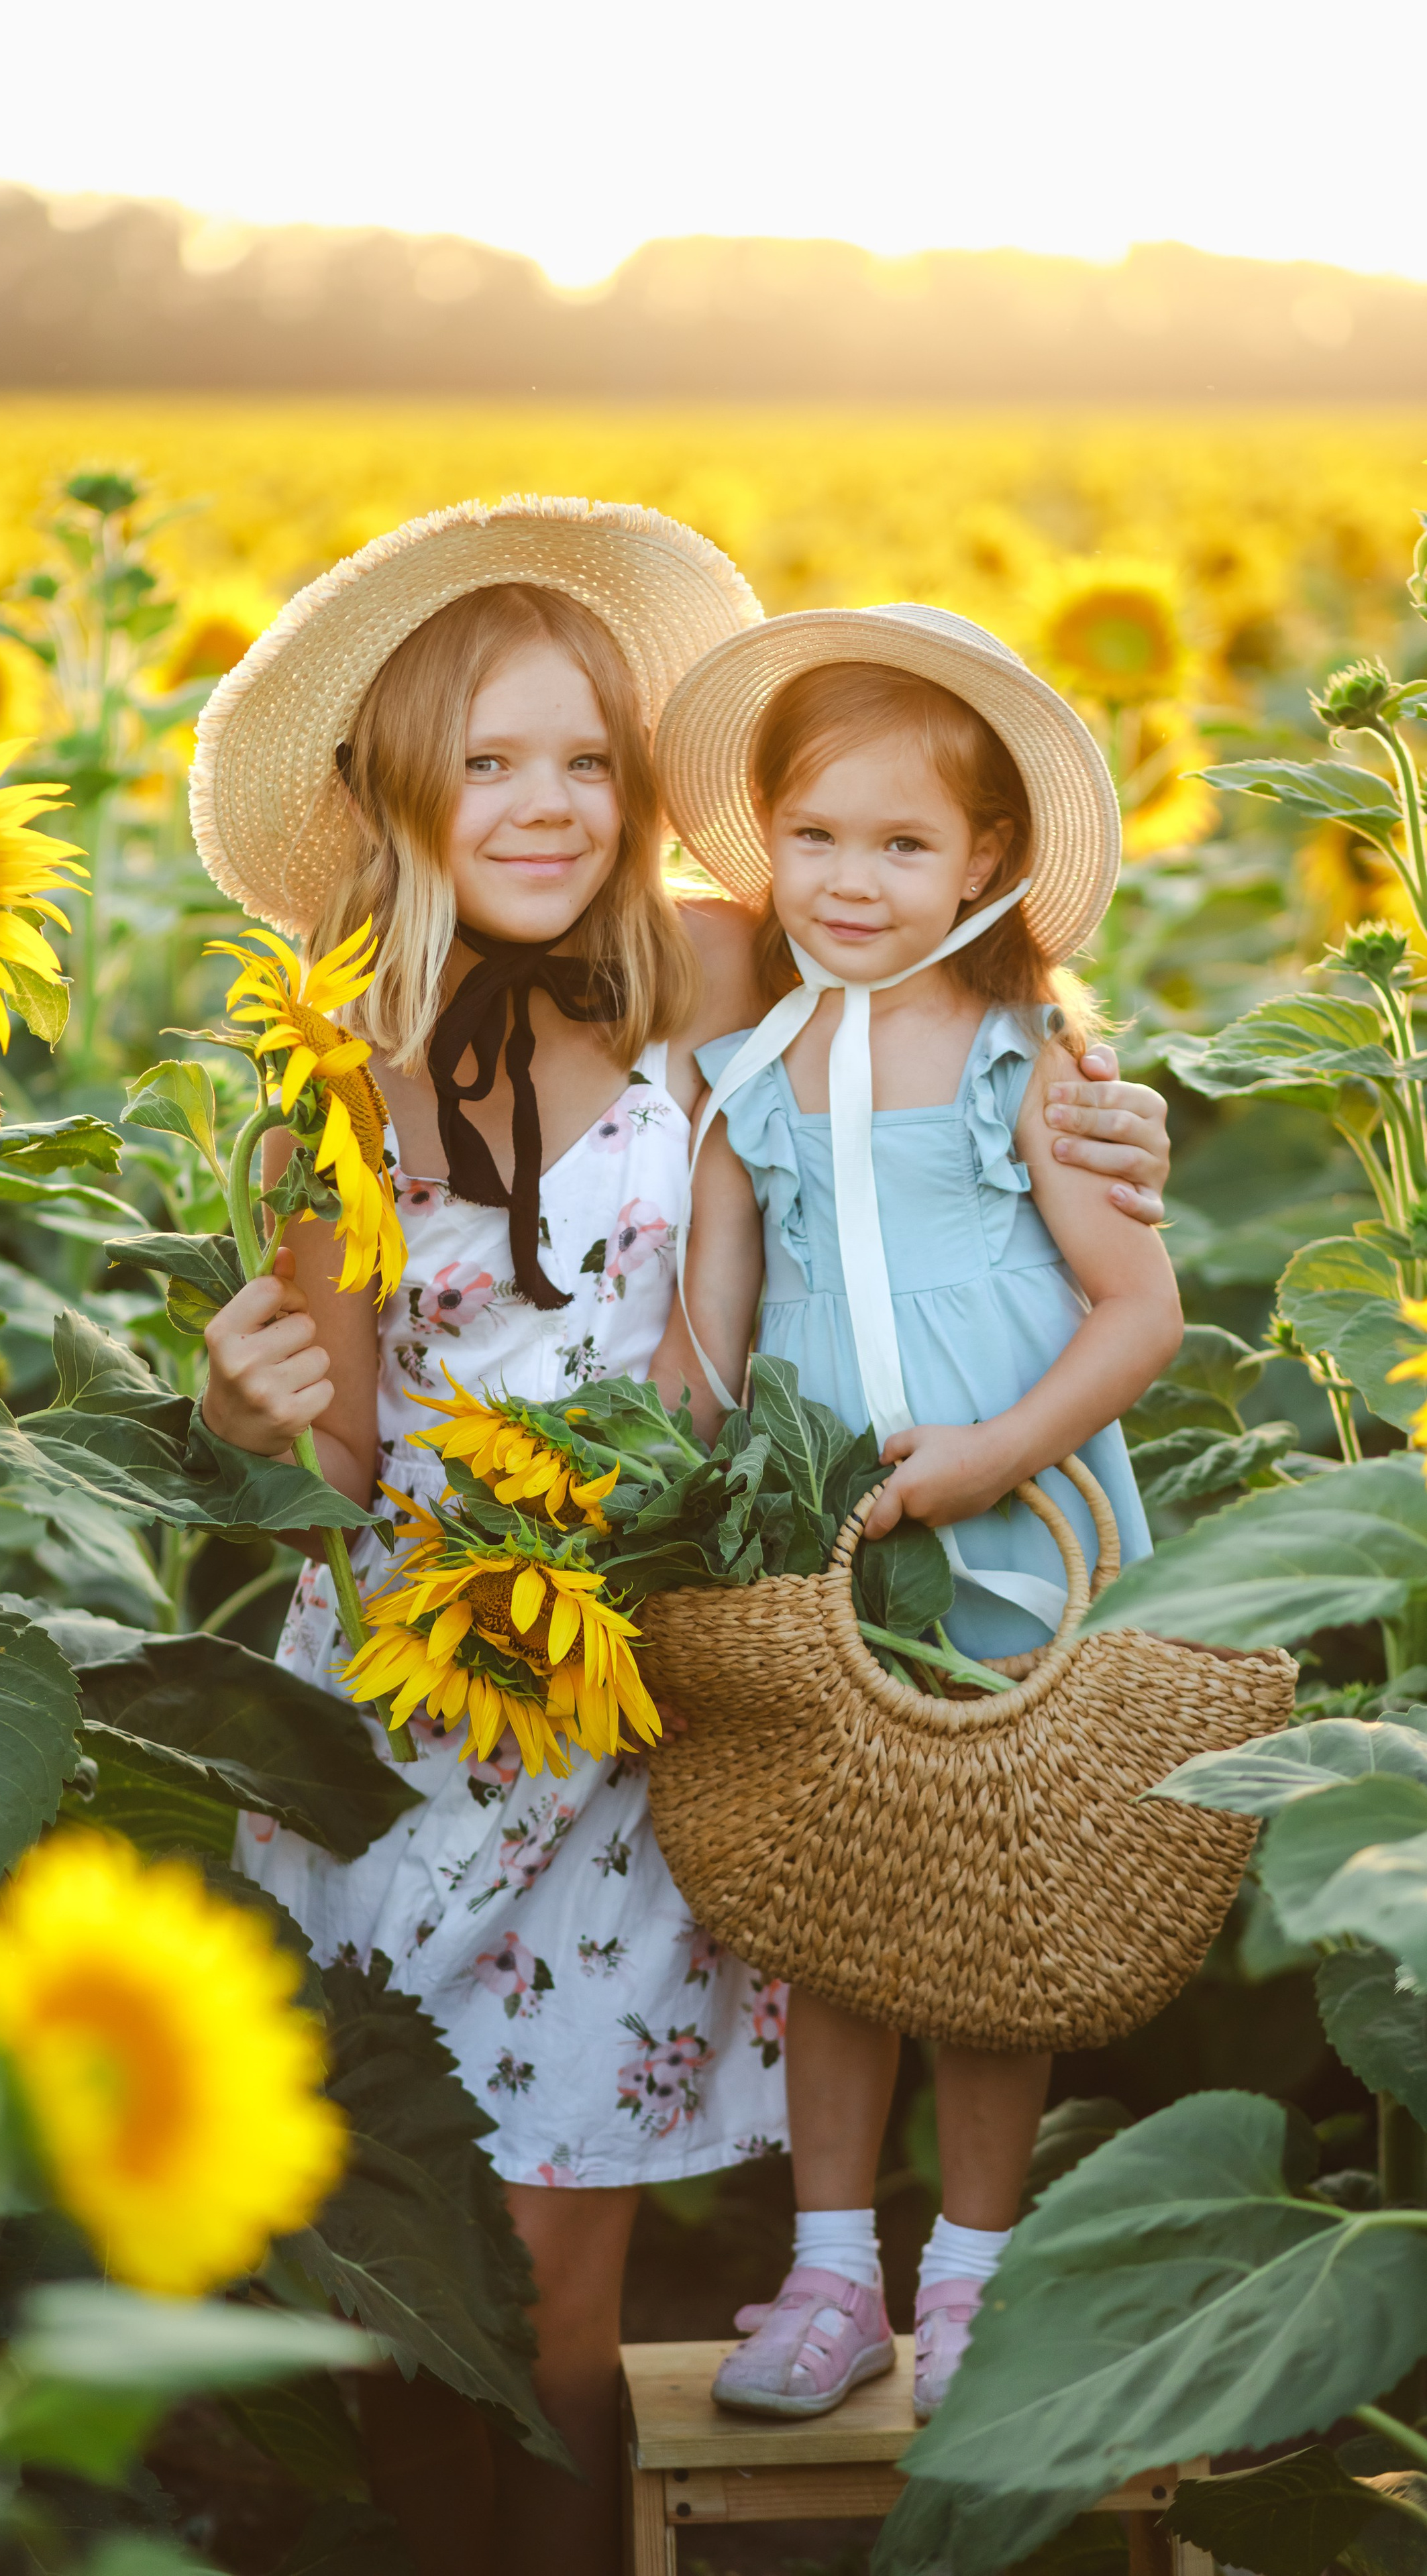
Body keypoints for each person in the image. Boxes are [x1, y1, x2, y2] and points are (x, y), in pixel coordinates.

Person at [192, 509, 1177, 2576]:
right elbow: (341, 1446)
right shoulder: (337, 1068)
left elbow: (954, 979)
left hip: (634, 1720)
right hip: (407, 1721)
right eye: (486, 763)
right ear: (393, 788)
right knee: (399, 2296)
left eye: (583, 761)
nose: (544, 808)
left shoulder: (712, 958)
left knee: (561, 2293)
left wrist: (1109, 1114)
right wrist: (242, 1399)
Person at [647, 604, 1182, 2430]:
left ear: (985, 860)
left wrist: (990, 1453)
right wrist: (661, 1489)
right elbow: (705, 1342)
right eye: (815, 838)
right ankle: (829, 2276)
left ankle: (973, 2274)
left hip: (1011, 1530)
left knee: (988, 1903)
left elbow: (1144, 1312)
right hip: (820, 1542)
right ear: (764, 841)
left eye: (901, 843)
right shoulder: (752, 1073)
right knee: (829, 1907)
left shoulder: (1030, 1065)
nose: (851, 881)